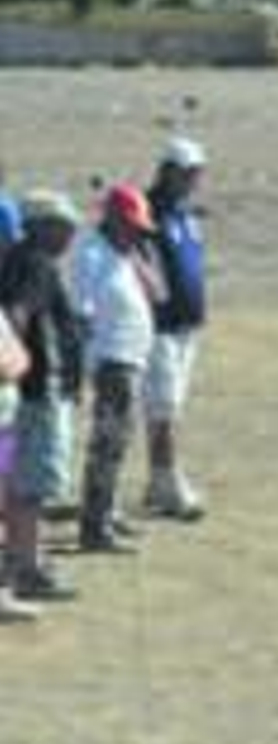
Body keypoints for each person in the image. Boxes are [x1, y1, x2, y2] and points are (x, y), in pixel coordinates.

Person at [0, 190, 84, 605]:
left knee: (13, 482)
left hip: (19, 395)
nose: (70, 233)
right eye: (62, 224)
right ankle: (26, 567)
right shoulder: (35, 263)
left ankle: (19, 560)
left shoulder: (18, 261)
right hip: (31, 396)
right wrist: (17, 362)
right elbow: (19, 315)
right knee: (28, 485)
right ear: (38, 226)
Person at [73, 182, 160, 555]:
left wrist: (139, 251)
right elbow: (83, 312)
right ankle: (95, 525)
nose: (136, 233)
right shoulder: (92, 255)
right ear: (111, 220)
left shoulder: (122, 253)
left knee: (119, 444)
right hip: (111, 362)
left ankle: (106, 512)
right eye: (131, 226)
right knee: (107, 444)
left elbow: (160, 293)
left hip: (130, 360)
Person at [143, 136, 209, 521]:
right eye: (187, 172)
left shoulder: (184, 212)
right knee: (163, 408)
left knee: (169, 408)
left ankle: (157, 480)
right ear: (166, 171)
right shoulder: (147, 212)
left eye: (197, 172)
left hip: (186, 326)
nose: (193, 180)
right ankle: (171, 485)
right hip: (159, 327)